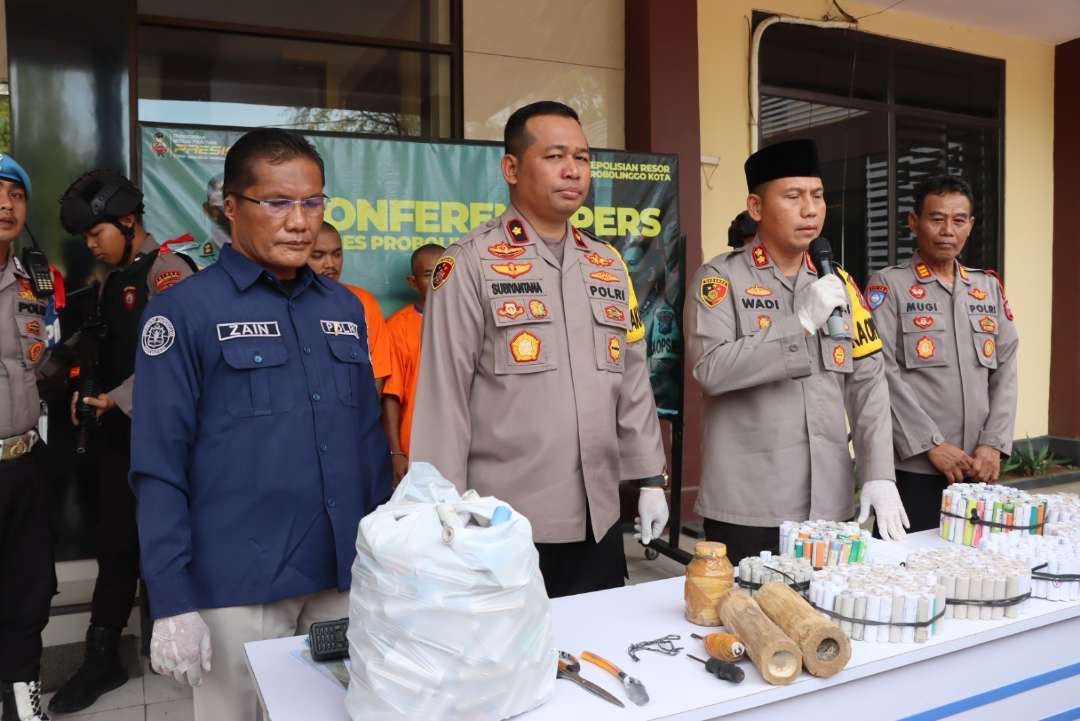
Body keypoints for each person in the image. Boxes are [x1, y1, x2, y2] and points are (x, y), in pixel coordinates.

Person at [129, 128, 390, 721]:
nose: (299, 221)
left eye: (313, 202)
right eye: (277, 202)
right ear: (232, 208)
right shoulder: (184, 312)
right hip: (237, 584)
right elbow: (157, 463)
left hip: (340, 576)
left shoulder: (343, 308)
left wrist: (384, 559)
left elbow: (367, 445)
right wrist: (170, 598)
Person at [410, 101, 668, 598]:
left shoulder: (607, 264)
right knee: (510, 669)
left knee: (598, 653)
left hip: (600, 519)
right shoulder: (469, 263)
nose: (573, 170)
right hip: (502, 523)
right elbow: (444, 398)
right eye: (554, 156)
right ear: (512, 168)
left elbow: (631, 380)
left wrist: (650, 479)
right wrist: (444, 512)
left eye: (583, 157)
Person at [684, 139, 909, 564]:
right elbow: (710, 370)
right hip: (751, 505)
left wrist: (879, 472)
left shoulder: (837, 283)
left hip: (831, 501)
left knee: (828, 624)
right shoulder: (719, 280)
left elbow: (867, 381)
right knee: (749, 624)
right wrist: (799, 324)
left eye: (818, 196)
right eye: (793, 196)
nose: (810, 209)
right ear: (756, 207)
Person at [46, 170, 196, 714]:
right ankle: (103, 657)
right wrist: (85, 389)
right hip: (118, 440)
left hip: (165, 439)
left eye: (95, 234)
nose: (91, 245)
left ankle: (185, 646)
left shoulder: (168, 272)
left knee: (170, 544)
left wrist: (118, 398)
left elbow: (177, 355)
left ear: (127, 222)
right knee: (115, 547)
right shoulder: (116, 277)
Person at [866, 175, 1018, 532]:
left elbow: (1006, 368)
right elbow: (880, 369)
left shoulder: (987, 288)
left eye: (959, 220)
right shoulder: (889, 285)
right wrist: (929, 444)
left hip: (977, 466)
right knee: (907, 573)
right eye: (936, 219)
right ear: (913, 221)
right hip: (914, 467)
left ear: (971, 226)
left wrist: (993, 444)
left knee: (975, 571)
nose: (948, 230)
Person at [0, 155, 57, 721]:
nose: (5, 205)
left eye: (15, 194)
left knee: (29, 591)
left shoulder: (34, 281)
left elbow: (43, 359)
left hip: (24, 461)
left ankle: (22, 702)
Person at [381, 243, 442, 483]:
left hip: (468, 446)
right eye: (429, 274)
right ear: (412, 282)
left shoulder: (475, 320)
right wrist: (396, 452)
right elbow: (391, 396)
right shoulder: (398, 327)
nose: (440, 279)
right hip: (415, 448)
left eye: (445, 270)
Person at [307, 221, 391, 392]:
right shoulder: (282, 302)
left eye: (337, 254)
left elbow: (376, 376)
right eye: (318, 255)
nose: (330, 264)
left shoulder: (362, 301)